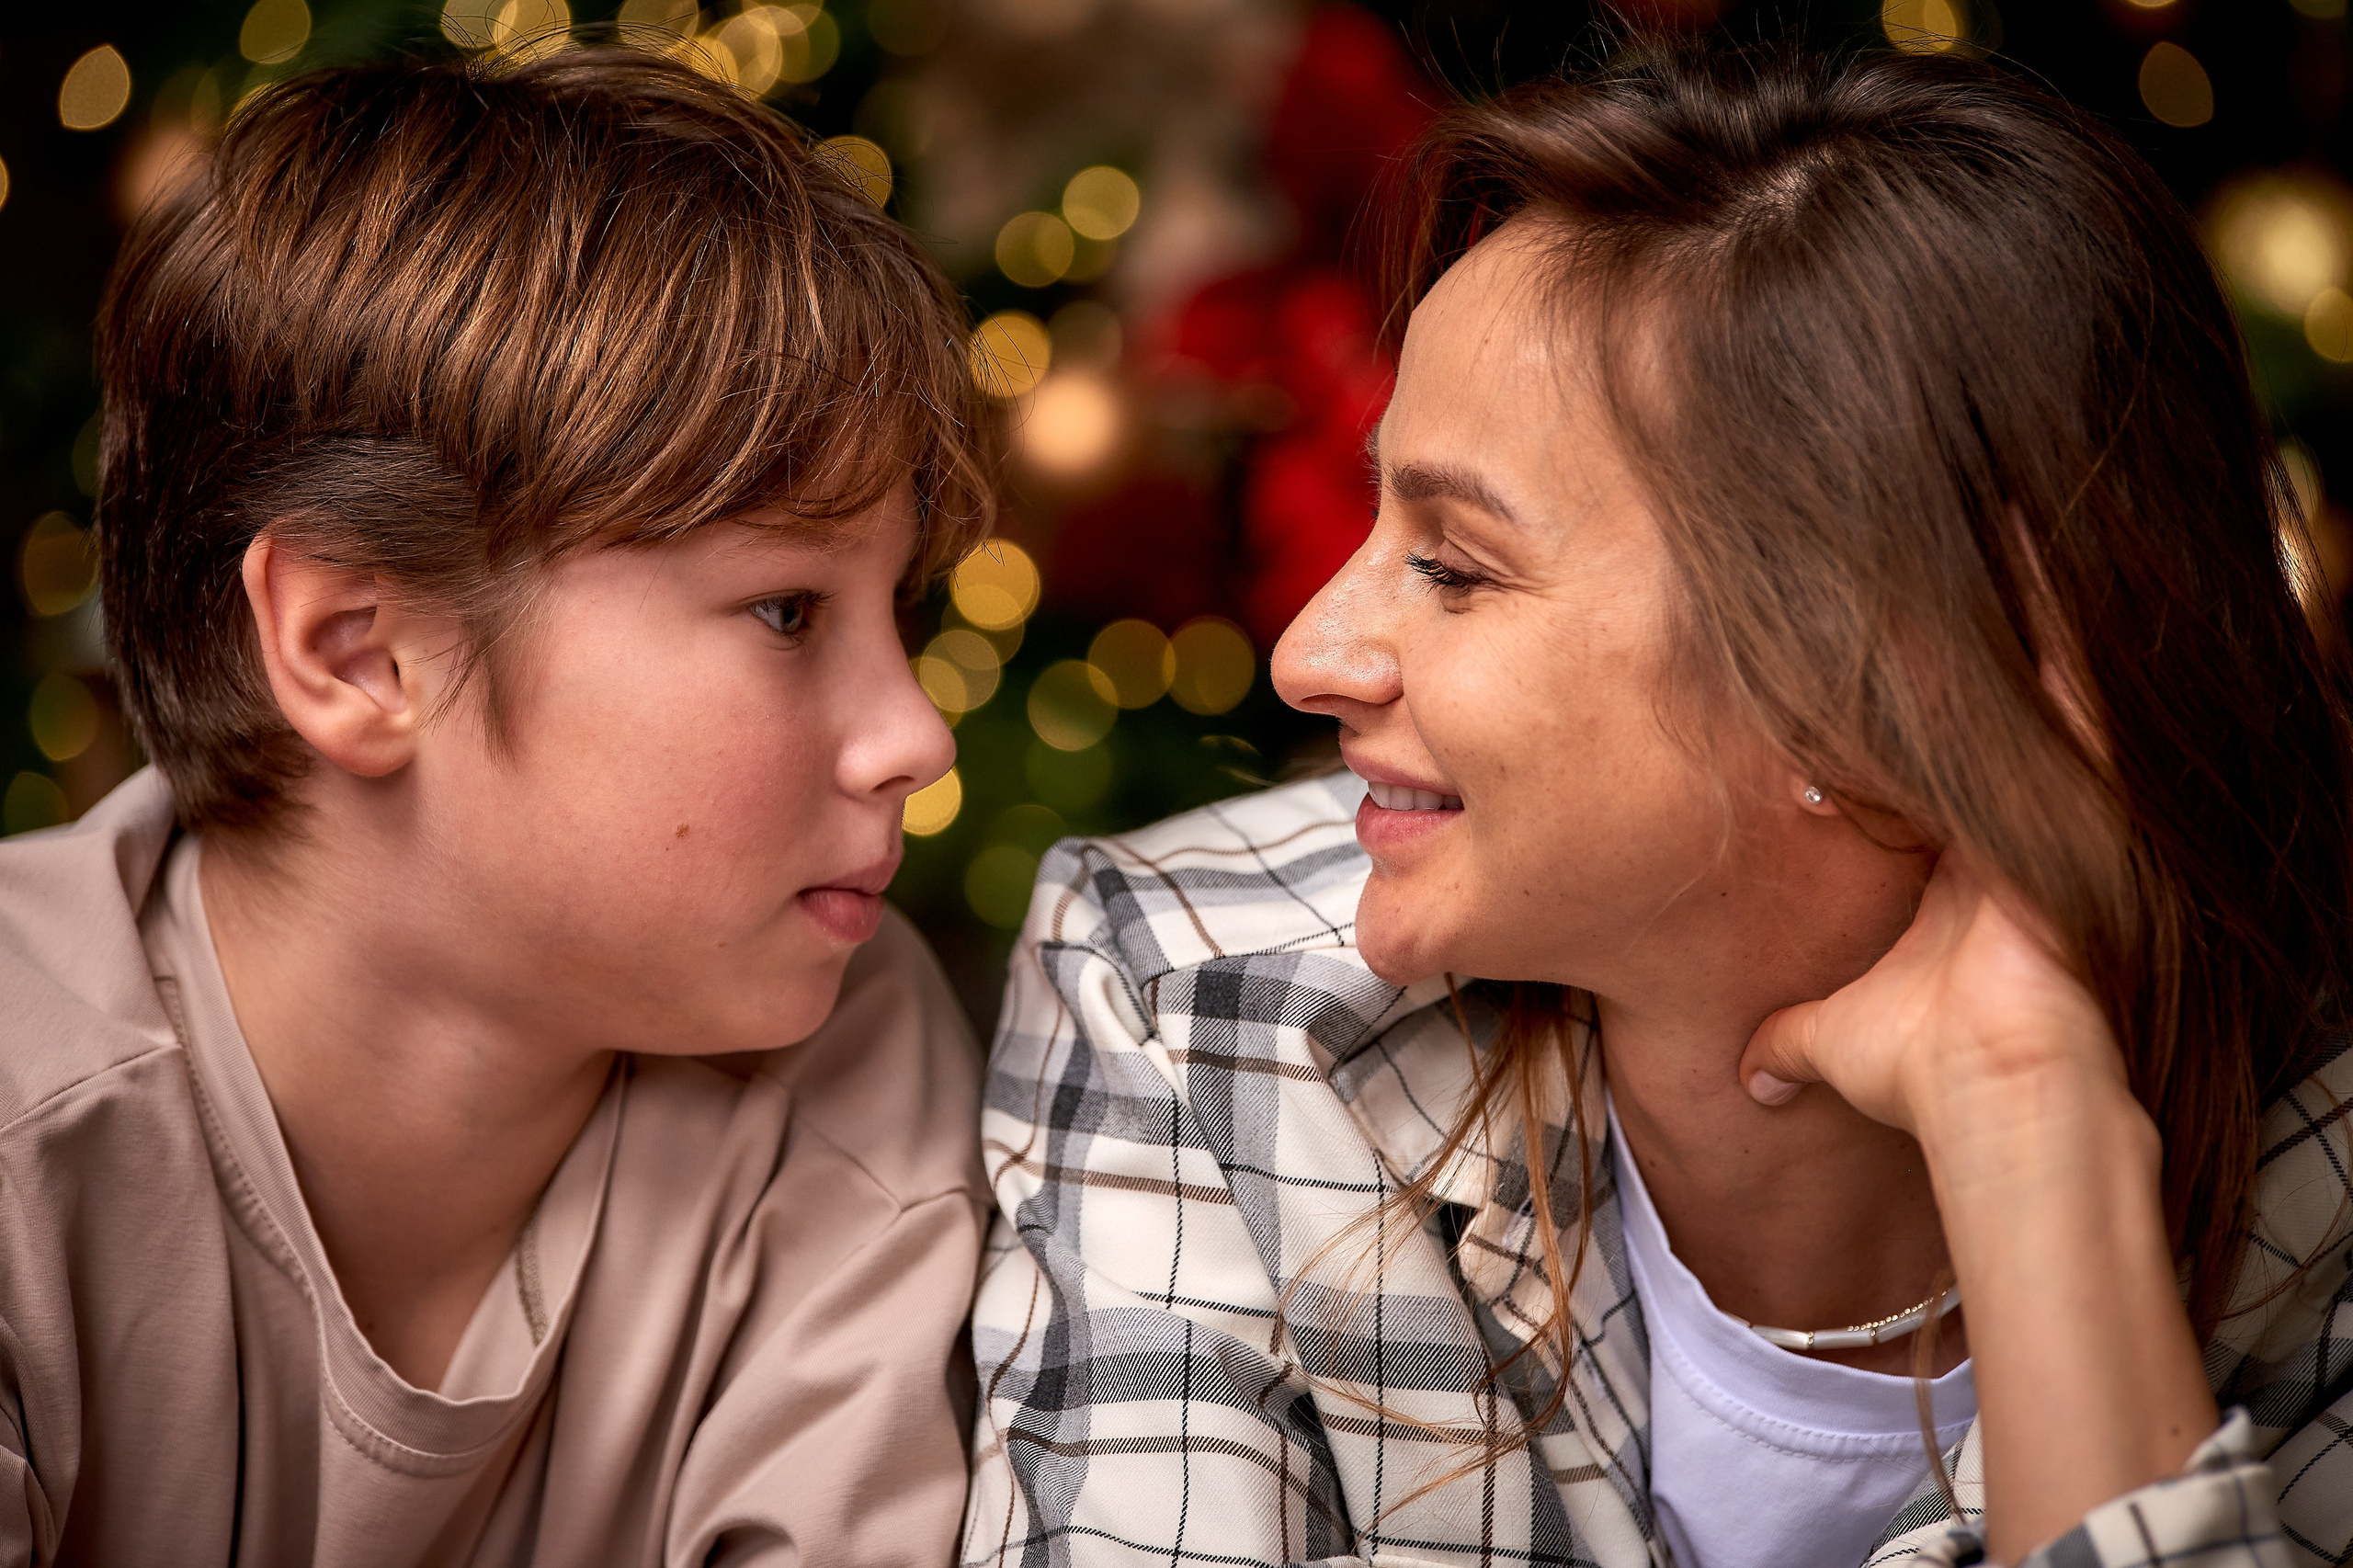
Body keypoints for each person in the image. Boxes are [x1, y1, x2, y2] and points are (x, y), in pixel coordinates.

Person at [963, 37, 2353, 1568]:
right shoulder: (1193, 991)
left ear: (1872, 686)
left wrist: (2032, 1115)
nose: (1310, 654)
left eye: (1455, 566)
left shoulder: (2323, 1138)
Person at [0, 48, 992, 1567]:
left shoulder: (845, 1063)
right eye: (790, 610)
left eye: (897, 608)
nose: (916, 733)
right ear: (361, 649)